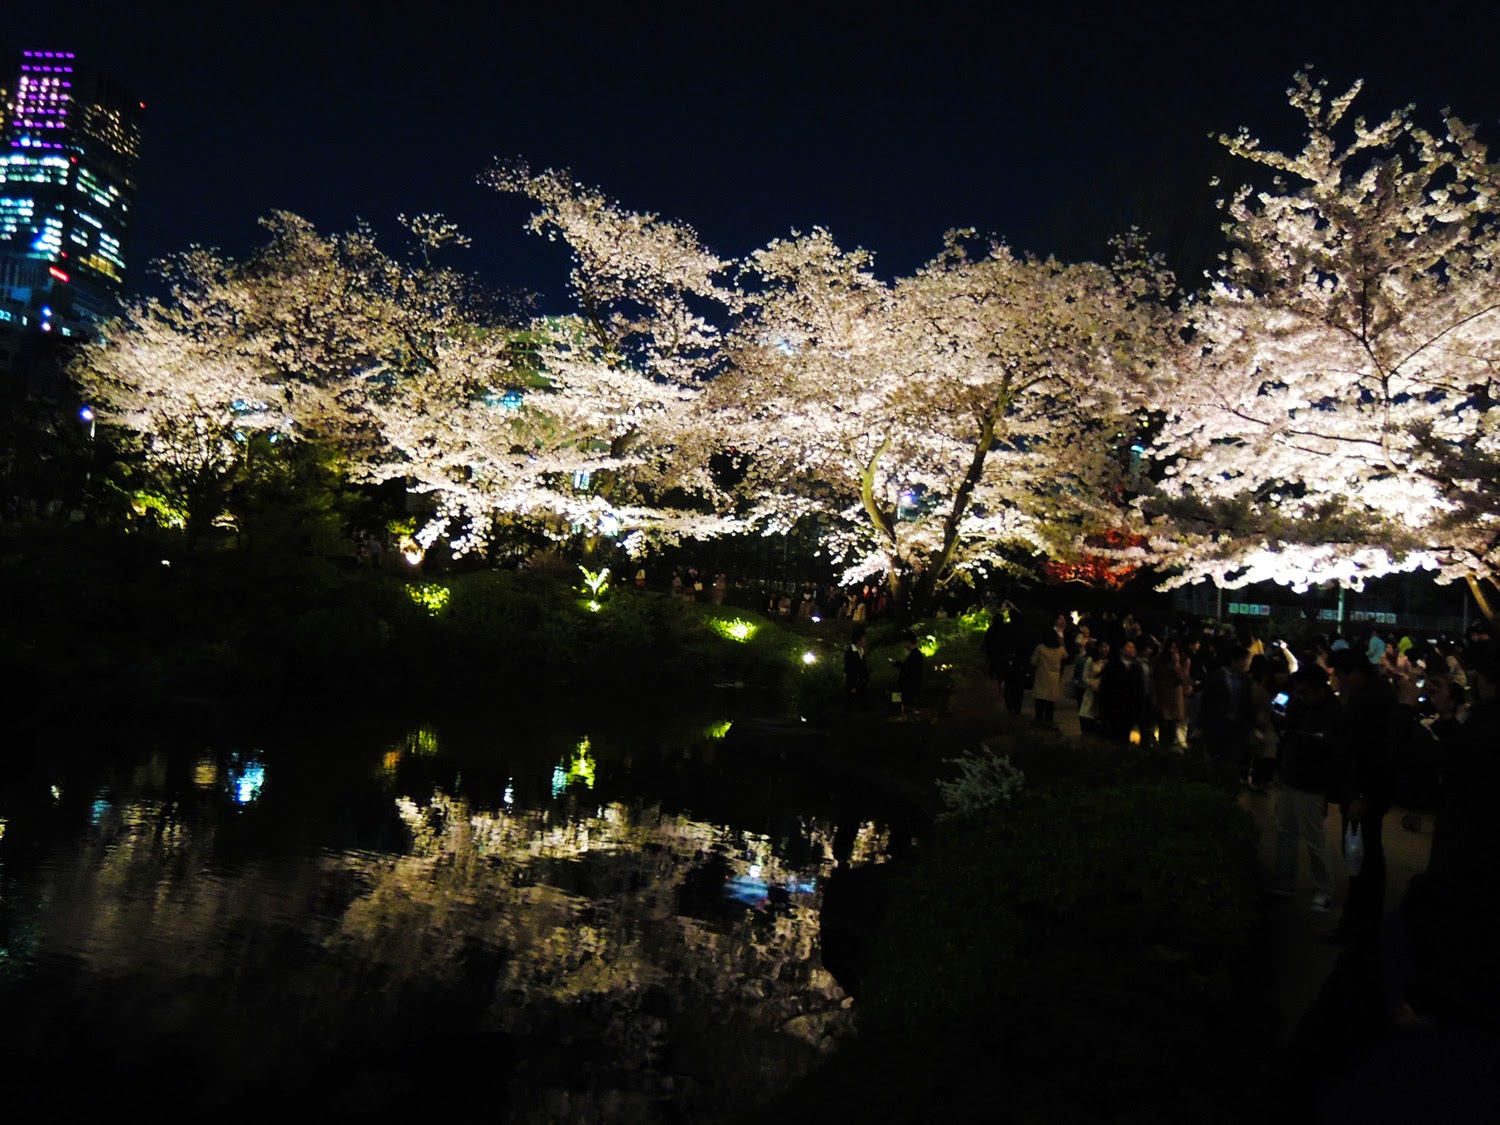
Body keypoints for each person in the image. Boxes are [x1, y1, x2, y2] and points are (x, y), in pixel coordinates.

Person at [1326, 649, 1397, 945]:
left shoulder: (1366, 702)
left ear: (1354, 674)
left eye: (1339, 676)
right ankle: (1366, 924)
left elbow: (1368, 754)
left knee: (1360, 859)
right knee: (1367, 858)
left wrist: (1360, 795)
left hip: (1362, 794)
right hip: (1370, 792)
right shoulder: (1380, 693)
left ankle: (1357, 927)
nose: (1337, 682)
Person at [1269, 665, 1341, 913]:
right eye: (1298, 692)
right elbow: (1289, 725)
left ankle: (1324, 889)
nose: (1301, 696)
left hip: (1311, 782)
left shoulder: (1333, 712)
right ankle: (1284, 882)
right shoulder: (1303, 704)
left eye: (1306, 692)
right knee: (1286, 831)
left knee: (1313, 838)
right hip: (1292, 774)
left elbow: (1329, 748)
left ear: (1321, 689)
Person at [1030, 628, 1066, 724]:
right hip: (1054, 676)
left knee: (1040, 698)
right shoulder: (1060, 650)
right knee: (1050, 700)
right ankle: (1049, 719)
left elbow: (1033, 661)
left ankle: (1039, 719)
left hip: (1042, 674)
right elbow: (1066, 656)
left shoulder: (1040, 648)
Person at [895, 628, 924, 713]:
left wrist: (898, 664)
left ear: (908, 642)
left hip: (909, 687)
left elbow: (908, 669)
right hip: (910, 687)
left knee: (906, 706)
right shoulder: (916, 654)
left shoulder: (915, 655)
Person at [844, 624, 871, 711]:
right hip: (854, 684)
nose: (865, 640)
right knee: (853, 706)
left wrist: (867, 680)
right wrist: (852, 686)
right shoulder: (850, 653)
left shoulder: (861, 651)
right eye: (863, 638)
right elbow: (850, 670)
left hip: (862, 684)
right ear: (858, 640)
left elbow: (864, 667)